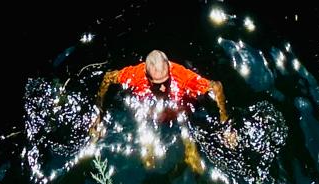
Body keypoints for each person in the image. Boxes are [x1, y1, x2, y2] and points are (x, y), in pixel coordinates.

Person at [90, 49, 237, 172]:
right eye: (157, 84)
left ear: (169, 70)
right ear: (147, 76)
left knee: (197, 167)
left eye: (166, 81)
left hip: (180, 113)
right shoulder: (136, 74)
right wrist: (98, 115)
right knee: (148, 164)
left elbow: (216, 86)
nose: (162, 88)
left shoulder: (183, 76)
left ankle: (189, 149)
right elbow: (108, 78)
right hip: (150, 114)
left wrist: (225, 124)